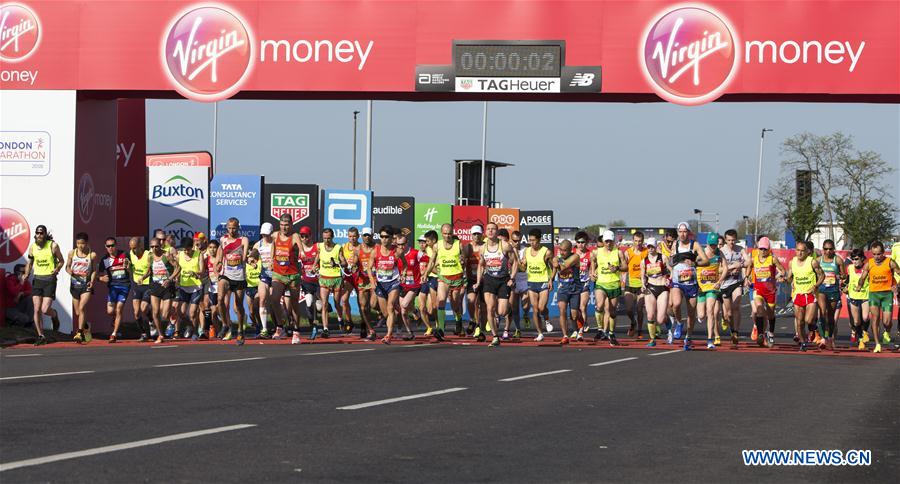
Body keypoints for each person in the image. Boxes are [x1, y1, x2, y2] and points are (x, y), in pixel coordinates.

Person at [474, 222, 518, 347]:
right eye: (488, 229)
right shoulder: (482, 248)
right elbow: (481, 265)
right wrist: (478, 281)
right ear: (485, 232)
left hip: (503, 280)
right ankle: (495, 336)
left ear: (497, 231)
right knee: (490, 308)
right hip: (489, 279)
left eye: (493, 229)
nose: (490, 231)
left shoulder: (504, 246)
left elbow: (514, 262)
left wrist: (512, 278)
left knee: (502, 311)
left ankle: (506, 311)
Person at [667, 222, 708, 350]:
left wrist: (695, 262)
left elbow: (706, 260)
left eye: (685, 232)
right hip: (678, 281)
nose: (682, 234)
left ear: (688, 233)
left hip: (691, 283)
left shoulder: (694, 245)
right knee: (676, 304)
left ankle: (688, 337)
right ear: (678, 233)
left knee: (691, 313)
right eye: (680, 232)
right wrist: (673, 264)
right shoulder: (675, 244)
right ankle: (679, 323)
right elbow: (669, 261)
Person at [854, 241, 900, 353]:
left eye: (879, 254)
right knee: (875, 319)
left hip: (886, 294)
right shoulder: (869, 263)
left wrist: (897, 286)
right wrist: (859, 286)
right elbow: (863, 277)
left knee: (887, 321)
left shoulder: (890, 262)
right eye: (874, 254)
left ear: (884, 253)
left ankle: (887, 332)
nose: (876, 257)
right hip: (874, 294)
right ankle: (877, 344)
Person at [22, 225, 64, 344]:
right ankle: (41, 336)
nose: (39, 235)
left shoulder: (52, 245)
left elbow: (61, 261)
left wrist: (57, 269)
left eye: (41, 233)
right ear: (35, 234)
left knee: (45, 309)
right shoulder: (33, 247)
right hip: (38, 279)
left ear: (45, 234)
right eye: (37, 233)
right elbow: (30, 263)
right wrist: (26, 274)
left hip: (49, 280)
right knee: (36, 309)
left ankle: (54, 315)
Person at [426, 223, 466, 340]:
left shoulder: (458, 244)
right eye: (445, 233)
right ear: (441, 233)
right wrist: (426, 274)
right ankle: (441, 330)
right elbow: (432, 262)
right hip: (443, 277)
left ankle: (458, 321)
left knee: (455, 305)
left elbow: (463, 258)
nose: (447, 236)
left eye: (449, 233)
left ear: (452, 233)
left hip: (457, 278)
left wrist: (462, 260)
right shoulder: (437, 246)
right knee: (441, 300)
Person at [269, 214, 303, 344]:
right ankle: (280, 326)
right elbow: (273, 246)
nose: (284, 227)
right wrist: (272, 259)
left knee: (294, 304)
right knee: (274, 299)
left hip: (293, 274)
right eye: (282, 225)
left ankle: (296, 331)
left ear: (291, 225)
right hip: (278, 273)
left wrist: (303, 253)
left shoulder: (294, 236)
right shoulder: (275, 235)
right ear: (279, 225)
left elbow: (300, 247)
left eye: (287, 225)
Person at [785, 240, 824, 351]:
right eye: (798, 250)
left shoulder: (812, 262)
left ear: (807, 252)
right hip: (798, 295)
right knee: (799, 321)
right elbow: (789, 278)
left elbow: (822, 275)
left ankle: (814, 329)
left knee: (808, 320)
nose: (800, 253)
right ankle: (803, 342)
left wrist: (816, 285)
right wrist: (785, 279)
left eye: (803, 251)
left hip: (810, 294)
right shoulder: (792, 262)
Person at [368, 225, 404, 344]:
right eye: (381, 236)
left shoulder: (397, 251)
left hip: (393, 282)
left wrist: (403, 274)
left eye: (386, 237)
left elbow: (405, 264)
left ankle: (388, 335)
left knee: (390, 307)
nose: (383, 239)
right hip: (380, 284)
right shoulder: (375, 251)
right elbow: (369, 268)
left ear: (391, 238)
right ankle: (396, 311)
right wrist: (372, 281)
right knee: (385, 313)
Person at [217, 218, 250, 345]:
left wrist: (247, 259)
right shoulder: (223, 239)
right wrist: (218, 263)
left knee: (238, 305)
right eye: (229, 228)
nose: (231, 230)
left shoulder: (243, 240)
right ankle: (225, 325)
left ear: (238, 227)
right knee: (220, 299)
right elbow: (220, 254)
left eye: (234, 228)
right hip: (226, 275)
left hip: (239, 277)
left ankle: (241, 330)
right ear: (226, 227)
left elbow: (245, 255)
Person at [591, 230, 627, 345]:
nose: (608, 244)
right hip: (601, 283)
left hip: (614, 284)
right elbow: (592, 261)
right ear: (603, 241)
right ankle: (600, 329)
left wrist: (617, 268)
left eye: (610, 241)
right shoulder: (597, 252)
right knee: (600, 305)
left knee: (612, 312)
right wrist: (592, 273)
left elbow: (625, 267)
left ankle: (611, 333)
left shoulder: (618, 253)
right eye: (606, 241)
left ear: (613, 241)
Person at [142, 238, 179, 344]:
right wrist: (143, 277)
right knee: (155, 312)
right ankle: (161, 335)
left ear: (160, 246)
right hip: (155, 286)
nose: (154, 249)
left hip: (167, 286)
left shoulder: (166, 255)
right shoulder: (150, 256)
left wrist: (169, 279)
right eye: (152, 247)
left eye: (156, 246)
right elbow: (150, 271)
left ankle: (172, 316)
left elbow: (178, 268)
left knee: (165, 315)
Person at [523, 228, 554, 342]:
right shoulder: (526, 251)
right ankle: (540, 333)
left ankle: (546, 319)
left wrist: (551, 279)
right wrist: (518, 263)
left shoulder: (546, 252)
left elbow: (554, 266)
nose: (531, 243)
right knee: (535, 309)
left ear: (539, 240)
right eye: (530, 240)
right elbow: (524, 267)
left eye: (534, 240)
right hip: (531, 282)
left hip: (543, 281)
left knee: (541, 308)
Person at [315, 228, 346, 339]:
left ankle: (340, 319)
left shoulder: (338, 248)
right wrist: (315, 265)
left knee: (337, 303)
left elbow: (344, 262)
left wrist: (337, 263)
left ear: (332, 237)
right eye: (324, 238)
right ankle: (326, 329)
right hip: (324, 277)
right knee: (324, 304)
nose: (326, 241)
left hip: (336, 278)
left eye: (328, 238)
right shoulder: (320, 246)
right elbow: (318, 256)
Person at [66, 232, 96, 343]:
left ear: (86, 243)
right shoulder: (71, 253)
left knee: (82, 308)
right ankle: (86, 327)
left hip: (86, 285)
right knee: (78, 312)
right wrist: (70, 271)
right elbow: (67, 267)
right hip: (74, 285)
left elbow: (94, 271)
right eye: (78, 243)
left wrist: (92, 281)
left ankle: (79, 333)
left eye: (82, 243)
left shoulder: (92, 255)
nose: (80, 246)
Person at [99, 237, 130, 343]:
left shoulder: (124, 254)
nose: (111, 248)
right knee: (110, 311)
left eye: (112, 245)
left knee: (119, 309)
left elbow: (132, 269)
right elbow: (98, 274)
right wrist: (101, 278)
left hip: (124, 286)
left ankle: (114, 334)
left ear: (116, 245)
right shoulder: (105, 260)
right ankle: (115, 320)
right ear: (105, 247)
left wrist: (128, 268)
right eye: (108, 246)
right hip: (112, 287)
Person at [719, 229, 747, 345]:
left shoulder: (740, 250)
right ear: (725, 240)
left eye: (733, 240)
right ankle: (731, 329)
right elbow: (718, 269)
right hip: (725, 284)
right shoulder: (721, 251)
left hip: (736, 282)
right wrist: (730, 268)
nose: (731, 243)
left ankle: (736, 332)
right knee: (728, 313)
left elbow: (748, 262)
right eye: (729, 240)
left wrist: (740, 265)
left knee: (736, 306)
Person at [816, 239, 845, 349]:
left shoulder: (838, 260)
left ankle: (830, 336)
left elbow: (843, 275)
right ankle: (823, 338)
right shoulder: (818, 260)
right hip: (822, 289)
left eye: (830, 249)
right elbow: (813, 274)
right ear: (823, 249)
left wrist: (841, 277)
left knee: (830, 317)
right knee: (823, 312)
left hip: (833, 290)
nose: (828, 251)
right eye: (825, 249)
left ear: (834, 250)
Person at [697, 232, 724, 349]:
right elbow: (693, 266)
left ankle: (709, 339)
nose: (713, 247)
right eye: (711, 245)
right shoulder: (701, 254)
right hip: (701, 287)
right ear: (707, 243)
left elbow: (726, 268)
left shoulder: (719, 253)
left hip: (713, 287)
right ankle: (700, 317)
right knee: (701, 315)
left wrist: (719, 282)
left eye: (715, 245)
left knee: (710, 311)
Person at [640, 237, 669, 347]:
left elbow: (671, 270)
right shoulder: (644, 261)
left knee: (660, 319)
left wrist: (668, 279)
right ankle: (652, 339)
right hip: (651, 287)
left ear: (656, 247)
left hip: (662, 288)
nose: (650, 249)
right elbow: (642, 275)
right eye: (649, 247)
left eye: (652, 246)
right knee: (650, 315)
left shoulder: (663, 258)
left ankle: (667, 321)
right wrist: (643, 284)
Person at [176, 236, 205, 340]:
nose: (186, 251)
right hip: (183, 287)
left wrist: (196, 273)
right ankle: (190, 326)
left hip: (196, 287)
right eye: (184, 249)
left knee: (192, 313)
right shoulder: (180, 255)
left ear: (192, 247)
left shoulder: (199, 255)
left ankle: (195, 332)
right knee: (181, 312)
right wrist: (176, 278)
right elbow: (178, 269)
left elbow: (202, 271)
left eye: (187, 249)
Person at [397, 234, 423, 341]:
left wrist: (425, 273)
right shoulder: (395, 254)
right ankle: (410, 332)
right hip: (402, 285)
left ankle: (415, 311)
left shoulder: (416, 253)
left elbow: (429, 259)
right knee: (403, 311)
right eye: (398, 244)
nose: (401, 247)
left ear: (407, 243)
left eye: (403, 244)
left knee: (404, 305)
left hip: (414, 284)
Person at [553, 239, 580, 344]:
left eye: (564, 250)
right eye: (560, 250)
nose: (562, 252)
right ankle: (565, 335)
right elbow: (555, 269)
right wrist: (550, 280)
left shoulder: (575, 257)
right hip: (562, 288)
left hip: (574, 289)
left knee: (574, 315)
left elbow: (564, 267)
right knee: (562, 311)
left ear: (570, 250)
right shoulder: (558, 258)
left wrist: (556, 261)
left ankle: (578, 325)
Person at [844, 248, 870, 350]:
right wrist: (845, 287)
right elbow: (847, 279)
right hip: (853, 296)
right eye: (853, 259)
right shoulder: (850, 268)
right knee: (856, 322)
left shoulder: (867, 268)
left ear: (862, 258)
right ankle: (860, 340)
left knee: (865, 317)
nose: (854, 261)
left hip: (865, 296)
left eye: (856, 259)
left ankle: (864, 332)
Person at [128, 237, 153, 342]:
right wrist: (127, 267)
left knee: (143, 308)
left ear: (141, 246)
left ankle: (151, 319)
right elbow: (131, 270)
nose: (133, 250)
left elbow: (150, 270)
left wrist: (143, 277)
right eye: (132, 248)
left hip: (147, 285)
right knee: (136, 312)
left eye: (135, 248)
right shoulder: (131, 254)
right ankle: (143, 333)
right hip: (136, 285)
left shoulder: (148, 255)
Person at [623, 232, 647, 338]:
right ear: (633, 241)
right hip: (630, 283)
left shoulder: (646, 252)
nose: (638, 243)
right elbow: (623, 267)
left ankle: (640, 331)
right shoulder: (628, 252)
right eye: (636, 241)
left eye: (640, 241)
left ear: (643, 241)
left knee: (639, 308)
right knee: (628, 309)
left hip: (641, 284)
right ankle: (633, 322)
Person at [297, 225, 320, 338]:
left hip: (319, 281)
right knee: (309, 304)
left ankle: (324, 325)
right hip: (307, 282)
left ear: (311, 236)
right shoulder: (299, 250)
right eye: (302, 236)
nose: (305, 238)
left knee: (321, 306)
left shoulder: (317, 247)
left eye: (306, 236)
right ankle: (314, 327)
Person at [338, 227, 362, 335]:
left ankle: (363, 323)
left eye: (354, 236)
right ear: (348, 236)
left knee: (361, 302)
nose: (352, 238)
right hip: (348, 276)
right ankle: (349, 321)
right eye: (350, 236)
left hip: (359, 276)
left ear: (358, 236)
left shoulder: (361, 247)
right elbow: (340, 259)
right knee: (344, 300)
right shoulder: (344, 247)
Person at [464, 225, 487, 337]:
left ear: (482, 234)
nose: (476, 236)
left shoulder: (486, 246)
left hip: (485, 280)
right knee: (471, 301)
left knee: (483, 307)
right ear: (471, 235)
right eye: (474, 234)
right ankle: (473, 320)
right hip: (472, 279)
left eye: (478, 234)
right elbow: (462, 262)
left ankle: (480, 329)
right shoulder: (468, 247)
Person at [507, 230, 529, 339]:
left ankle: (526, 314)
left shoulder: (525, 250)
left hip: (524, 280)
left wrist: (515, 256)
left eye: (519, 241)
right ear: (511, 240)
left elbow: (523, 267)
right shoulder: (507, 249)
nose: (516, 243)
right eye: (514, 241)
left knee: (525, 306)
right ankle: (517, 329)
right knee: (514, 307)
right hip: (514, 280)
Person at [573, 232, 594, 339]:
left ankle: (580, 331)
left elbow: (593, 268)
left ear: (586, 243)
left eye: (583, 242)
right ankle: (580, 325)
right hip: (573, 283)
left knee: (582, 307)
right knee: (575, 309)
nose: (580, 244)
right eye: (578, 242)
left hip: (584, 283)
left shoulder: (590, 254)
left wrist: (592, 275)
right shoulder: (572, 253)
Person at [416, 234, 435, 337]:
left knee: (431, 309)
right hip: (421, 282)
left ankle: (438, 322)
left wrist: (428, 269)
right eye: (420, 242)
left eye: (424, 242)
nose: (422, 244)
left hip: (431, 280)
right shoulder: (417, 254)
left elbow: (436, 267)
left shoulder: (431, 253)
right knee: (422, 307)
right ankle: (429, 327)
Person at [245, 248, 262, 335]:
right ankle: (257, 326)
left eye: (253, 258)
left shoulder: (260, 263)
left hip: (258, 287)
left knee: (256, 307)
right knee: (251, 312)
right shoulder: (246, 265)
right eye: (250, 257)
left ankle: (261, 325)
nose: (252, 260)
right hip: (249, 288)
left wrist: (255, 262)